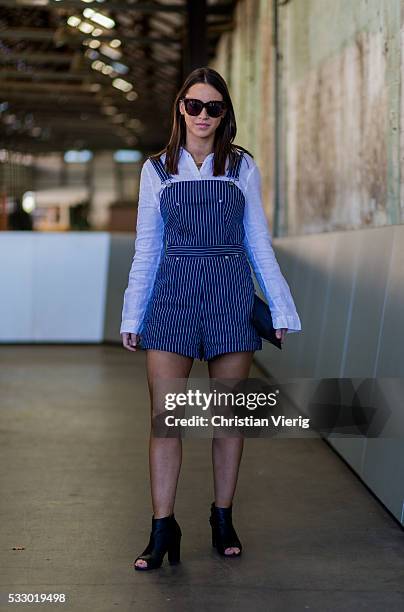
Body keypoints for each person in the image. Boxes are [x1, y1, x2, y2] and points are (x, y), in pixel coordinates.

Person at [120, 66, 302, 571]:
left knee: (226, 419)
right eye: (195, 105)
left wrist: (281, 308)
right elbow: (147, 248)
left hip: (230, 295)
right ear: (181, 108)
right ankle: (162, 526)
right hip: (171, 297)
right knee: (167, 420)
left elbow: (258, 244)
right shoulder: (156, 169)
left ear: (225, 114)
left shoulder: (241, 166)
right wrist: (132, 314)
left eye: (214, 107)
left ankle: (222, 517)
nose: (203, 115)